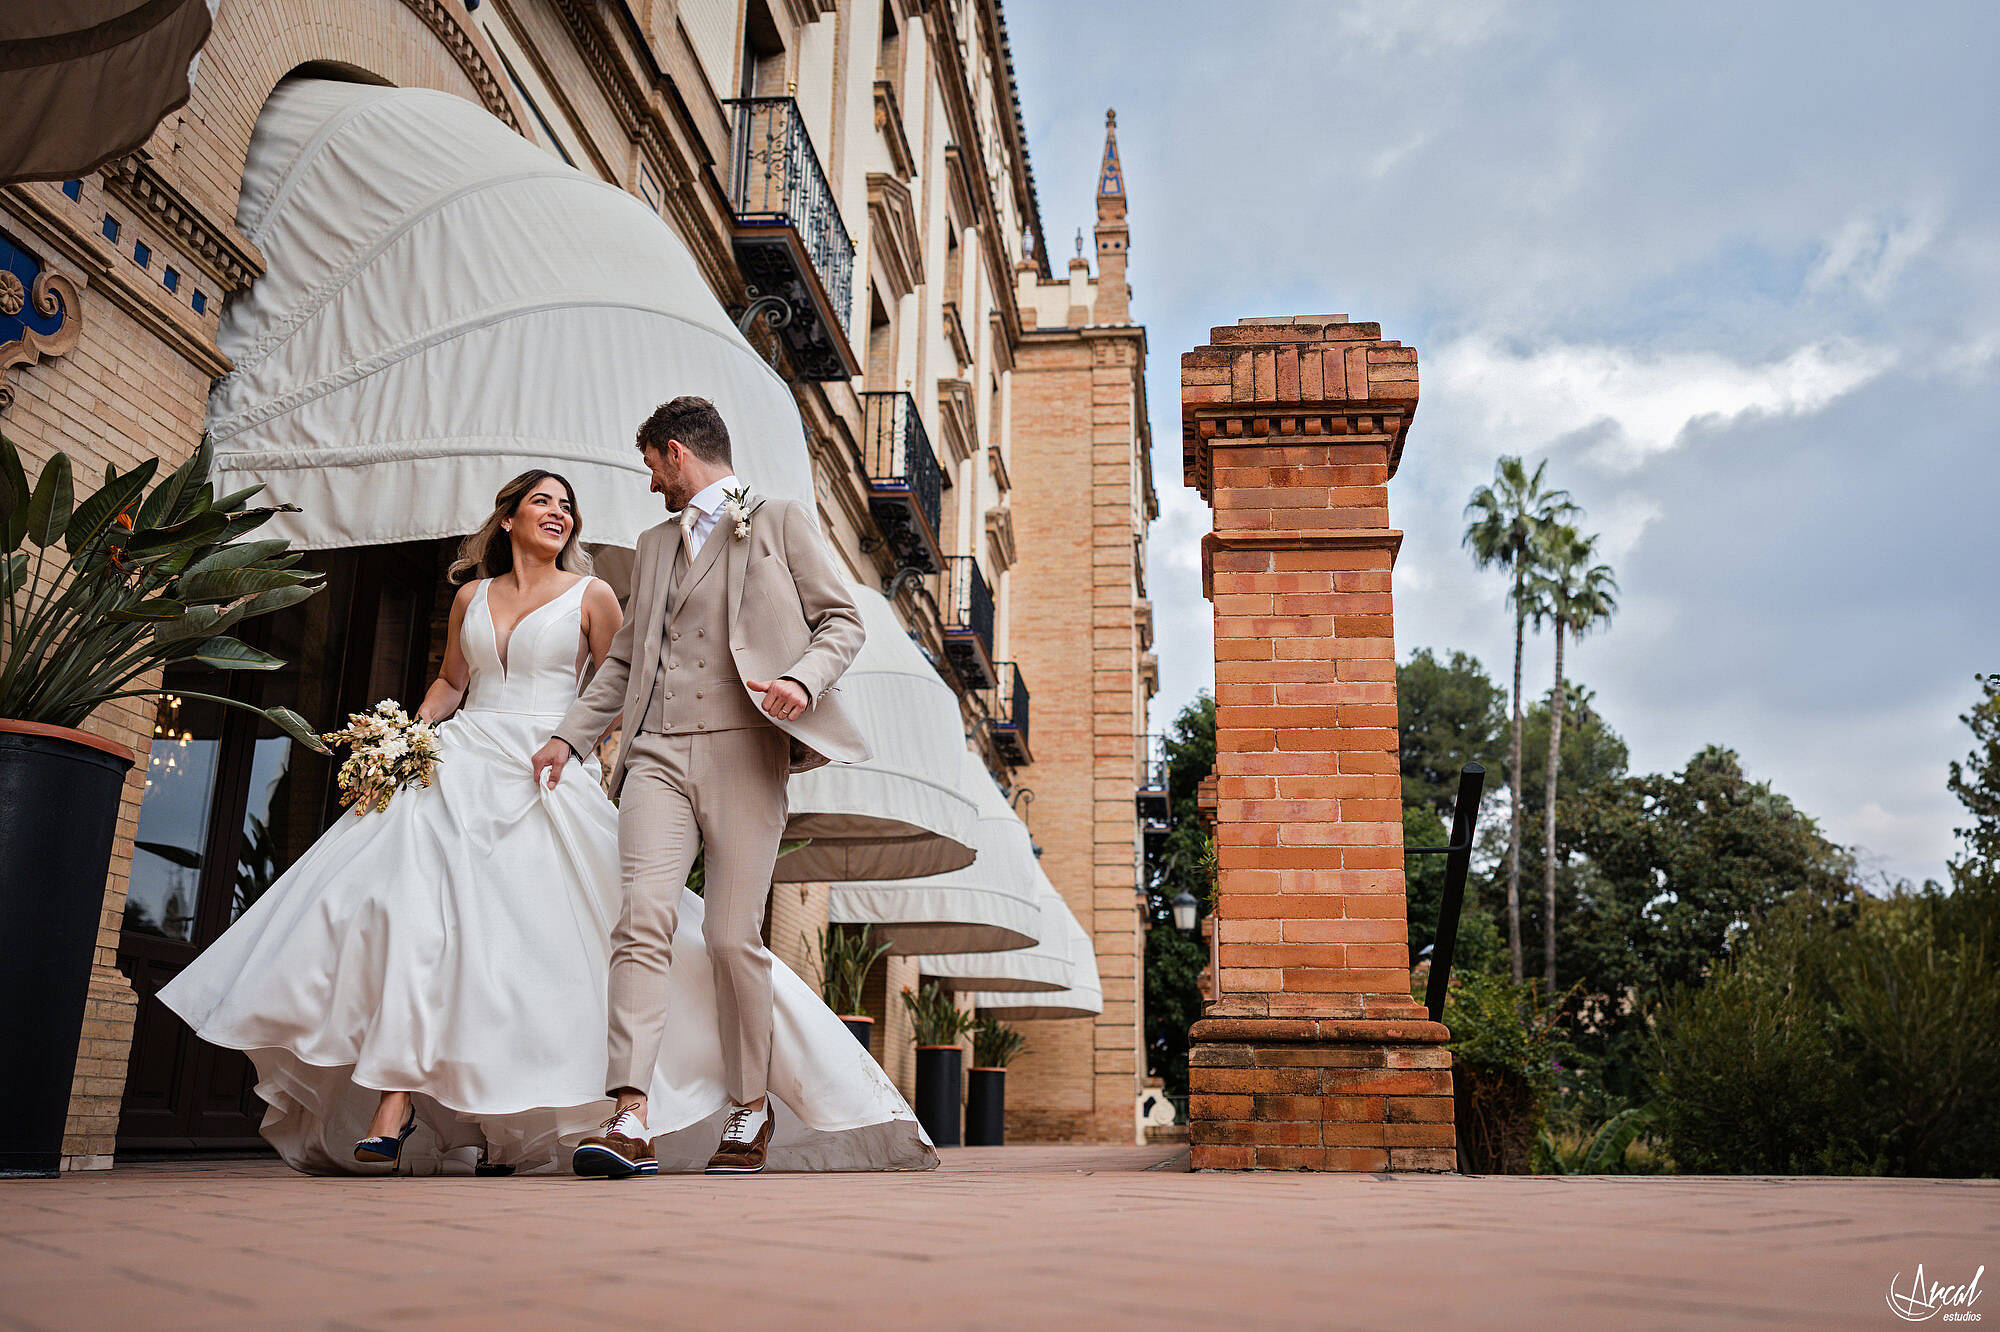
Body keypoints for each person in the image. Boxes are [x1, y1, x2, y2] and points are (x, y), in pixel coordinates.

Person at [159, 462, 933, 1175]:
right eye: (543, 502)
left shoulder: (595, 594)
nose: (559, 514)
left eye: (567, 505)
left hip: (543, 775)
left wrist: (589, 749)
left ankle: (725, 1097)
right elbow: (450, 683)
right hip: (458, 767)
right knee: (411, 919)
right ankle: (395, 1101)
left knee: (624, 940)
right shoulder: (469, 596)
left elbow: (622, 681)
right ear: (508, 519)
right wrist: (402, 738)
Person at [531, 394, 877, 1177]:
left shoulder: (780, 519)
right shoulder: (654, 546)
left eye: (653, 466)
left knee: (729, 937)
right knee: (642, 919)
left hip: (745, 752)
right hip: (655, 751)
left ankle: (750, 1106)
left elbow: (842, 622)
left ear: (676, 454)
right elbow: (623, 661)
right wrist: (568, 736)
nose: (652, 484)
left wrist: (801, 678)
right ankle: (629, 1113)